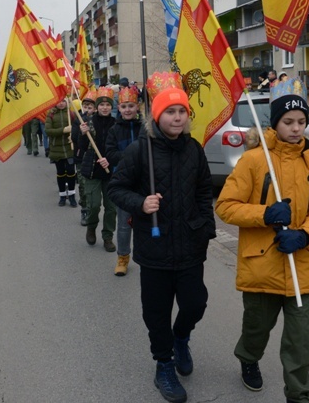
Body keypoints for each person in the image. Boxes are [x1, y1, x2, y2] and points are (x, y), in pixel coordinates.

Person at [215, 93, 309, 403]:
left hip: (300, 265)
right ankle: (248, 356)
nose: (296, 129)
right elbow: (226, 207)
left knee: (299, 339)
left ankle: (299, 394)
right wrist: (264, 214)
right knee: (257, 328)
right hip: (261, 265)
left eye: (301, 122)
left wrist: (306, 235)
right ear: (275, 123)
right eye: (288, 122)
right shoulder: (255, 159)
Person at [108, 77, 215, 403]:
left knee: (195, 303)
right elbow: (116, 188)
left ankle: (181, 337)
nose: (177, 117)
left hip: (190, 246)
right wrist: (141, 203)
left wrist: (206, 229)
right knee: (156, 311)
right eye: (170, 111)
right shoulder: (140, 151)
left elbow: (203, 190)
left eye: (182, 110)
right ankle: (164, 364)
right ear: (157, 115)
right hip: (154, 247)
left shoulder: (194, 149)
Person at [105, 85, 142, 276]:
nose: (127, 109)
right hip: (123, 182)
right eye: (124, 106)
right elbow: (110, 153)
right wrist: (131, 158)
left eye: (131, 106)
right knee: (124, 223)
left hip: (143, 182)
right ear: (119, 108)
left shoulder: (145, 128)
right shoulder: (114, 130)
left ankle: (147, 256)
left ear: (138, 108)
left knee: (145, 221)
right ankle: (123, 257)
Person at [79, 86, 116, 252]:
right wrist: (81, 133)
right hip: (93, 170)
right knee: (93, 205)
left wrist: (112, 160)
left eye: (108, 104)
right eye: (101, 104)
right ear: (97, 106)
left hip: (111, 172)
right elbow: (80, 148)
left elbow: (120, 148)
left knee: (111, 208)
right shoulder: (88, 123)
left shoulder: (116, 125)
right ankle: (91, 226)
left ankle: (107, 236)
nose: (105, 107)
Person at [44, 97, 76, 206]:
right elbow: (48, 131)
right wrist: (63, 130)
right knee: (61, 173)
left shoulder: (71, 114)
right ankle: (62, 196)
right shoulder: (51, 114)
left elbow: (78, 128)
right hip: (56, 149)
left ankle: (72, 196)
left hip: (70, 148)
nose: (61, 104)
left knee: (71, 172)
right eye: (59, 101)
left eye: (63, 101)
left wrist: (74, 135)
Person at [72, 90, 96, 225]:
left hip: (94, 158)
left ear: (94, 109)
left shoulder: (97, 120)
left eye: (90, 107)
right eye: (85, 107)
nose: (87, 110)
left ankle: (92, 206)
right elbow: (73, 138)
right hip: (81, 157)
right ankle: (84, 210)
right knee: (82, 185)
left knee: (92, 187)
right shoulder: (78, 121)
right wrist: (81, 131)